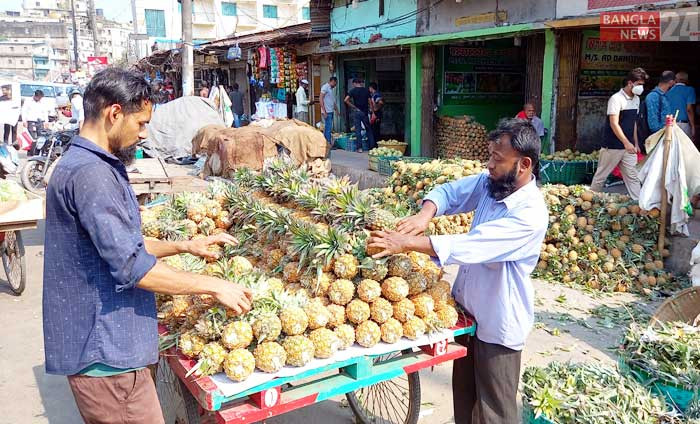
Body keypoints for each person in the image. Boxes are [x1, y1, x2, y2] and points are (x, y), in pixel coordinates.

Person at [42, 68, 252, 423]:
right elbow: (131, 266)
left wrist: (187, 245)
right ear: (114, 114)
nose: (143, 134)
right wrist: (212, 285)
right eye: (140, 123)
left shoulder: (87, 164)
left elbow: (125, 245)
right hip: (107, 357)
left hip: (105, 350)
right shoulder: (91, 174)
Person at [367, 118, 548, 424]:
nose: (489, 165)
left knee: (495, 414)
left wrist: (407, 242)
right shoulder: (494, 184)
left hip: (497, 326)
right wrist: (426, 214)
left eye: (497, 159)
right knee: (464, 404)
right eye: (489, 156)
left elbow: (472, 245)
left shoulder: (530, 215)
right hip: (469, 318)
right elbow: (450, 192)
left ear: (524, 164)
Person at [590, 68, 648, 200]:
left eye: (642, 84)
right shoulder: (616, 99)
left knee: (633, 176)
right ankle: (589, 200)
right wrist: (626, 142)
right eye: (639, 84)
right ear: (630, 83)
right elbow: (614, 123)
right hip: (612, 146)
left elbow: (633, 123)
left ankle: (638, 204)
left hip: (629, 147)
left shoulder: (637, 100)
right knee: (601, 176)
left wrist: (635, 143)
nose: (641, 87)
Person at [344, 78, 375, 153]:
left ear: (354, 83)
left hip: (357, 112)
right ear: (360, 83)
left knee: (358, 130)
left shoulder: (353, 91)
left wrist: (353, 107)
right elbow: (370, 102)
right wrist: (372, 112)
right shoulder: (366, 91)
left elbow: (345, 100)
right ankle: (372, 147)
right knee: (368, 130)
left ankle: (360, 148)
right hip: (364, 112)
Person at [667, 71, 696, 140]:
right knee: (685, 148)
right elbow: (689, 109)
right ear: (686, 80)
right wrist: (693, 126)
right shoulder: (690, 90)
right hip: (683, 124)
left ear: (676, 80)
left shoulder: (668, 91)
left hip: (671, 124)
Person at [320, 76, 339, 146]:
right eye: (335, 83)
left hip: (330, 111)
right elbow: (321, 99)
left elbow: (332, 101)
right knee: (328, 128)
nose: (335, 85)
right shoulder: (325, 87)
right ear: (332, 81)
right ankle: (328, 143)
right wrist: (324, 111)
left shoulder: (330, 89)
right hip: (327, 111)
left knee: (328, 128)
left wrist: (336, 110)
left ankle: (326, 143)